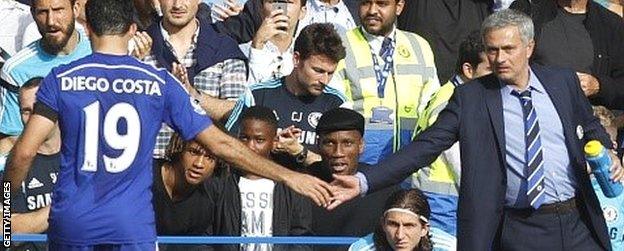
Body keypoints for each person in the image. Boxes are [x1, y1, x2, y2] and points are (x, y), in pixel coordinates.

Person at [3, 0, 332, 249]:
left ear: (87, 29)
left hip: (73, 221)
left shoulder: (61, 78)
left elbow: (23, 154)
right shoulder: (159, 82)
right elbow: (219, 144)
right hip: (132, 224)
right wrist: (289, 176)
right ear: (133, 30)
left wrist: (4, 213)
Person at [330, 9, 624, 250]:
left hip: (578, 222)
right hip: (520, 229)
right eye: (492, 50)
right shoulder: (471, 98)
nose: (500, 59)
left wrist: (608, 153)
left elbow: (590, 125)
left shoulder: (562, 82)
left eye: (508, 49)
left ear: (530, 47)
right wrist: (365, 180)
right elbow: (425, 147)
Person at [333, 0, 441, 165]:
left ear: (399, 7)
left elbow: (432, 104)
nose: (372, 10)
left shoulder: (419, 45)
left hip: (409, 163)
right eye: (365, 3)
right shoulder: (341, 45)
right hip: (358, 165)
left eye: (381, 4)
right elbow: (333, 106)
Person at [408, 31, 492, 238]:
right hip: (442, 203)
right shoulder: (450, 101)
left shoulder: (449, 92)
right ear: (468, 70)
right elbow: (459, 159)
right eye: (490, 68)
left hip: (441, 198)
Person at [144, 0, 247, 159]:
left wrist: (192, 94)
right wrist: (131, 65)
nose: (177, 5)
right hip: (149, 165)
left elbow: (236, 111)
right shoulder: (139, 46)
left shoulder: (223, 48)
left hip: (203, 167)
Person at [224, 23, 347, 153]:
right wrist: (268, 145)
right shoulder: (257, 96)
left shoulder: (338, 104)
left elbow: (341, 163)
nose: (325, 80)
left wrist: (300, 152)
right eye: (318, 70)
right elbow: (227, 145)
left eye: (330, 73)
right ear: (296, 59)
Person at [0, 0, 91, 169]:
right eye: (42, 12)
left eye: (58, 10)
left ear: (76, 9)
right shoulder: (16, 71)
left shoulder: (98, 51)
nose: (51, 21)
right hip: (42, 179)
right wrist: (6, 192)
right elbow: (10, 142)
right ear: (33, 14)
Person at [209, 106, 312, 251]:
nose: (250, 146)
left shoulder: (291, 185)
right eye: (244, 138)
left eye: (259, 140)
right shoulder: (221, 182)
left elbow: (301, 237)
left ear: (273, 142)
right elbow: (206, 235)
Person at [510, 0, 624, 110]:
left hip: (585, 117)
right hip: (532, 109)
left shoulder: (610, 24)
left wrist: (598, 86)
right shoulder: (528, 11)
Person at [1, 77, 59, 251]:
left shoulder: (79, 157)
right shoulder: (11, 165)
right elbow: (6, 232)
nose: (34, 117)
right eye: (26, 111)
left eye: (40, 108)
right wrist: (61, 208)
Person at [152, 133, 221, 251]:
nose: (199, 164)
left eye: (209, 157)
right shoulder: (145, 176)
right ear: (179, 148)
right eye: (193, 152)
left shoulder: (205, 202)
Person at [239, 0, 307, 83]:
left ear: (302, 12)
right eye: (273, 1)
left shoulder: (306, 55)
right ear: (261, 10)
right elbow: (246, 94)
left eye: (288, 2)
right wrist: (257, 46)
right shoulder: (240, 53)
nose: (280, 8)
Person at [348, 189, 434, 251]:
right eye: (393, 224)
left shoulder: (446, 247)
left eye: (409, 226)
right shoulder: (361, 249)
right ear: (383, 225)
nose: (400, 236)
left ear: (424, 229)